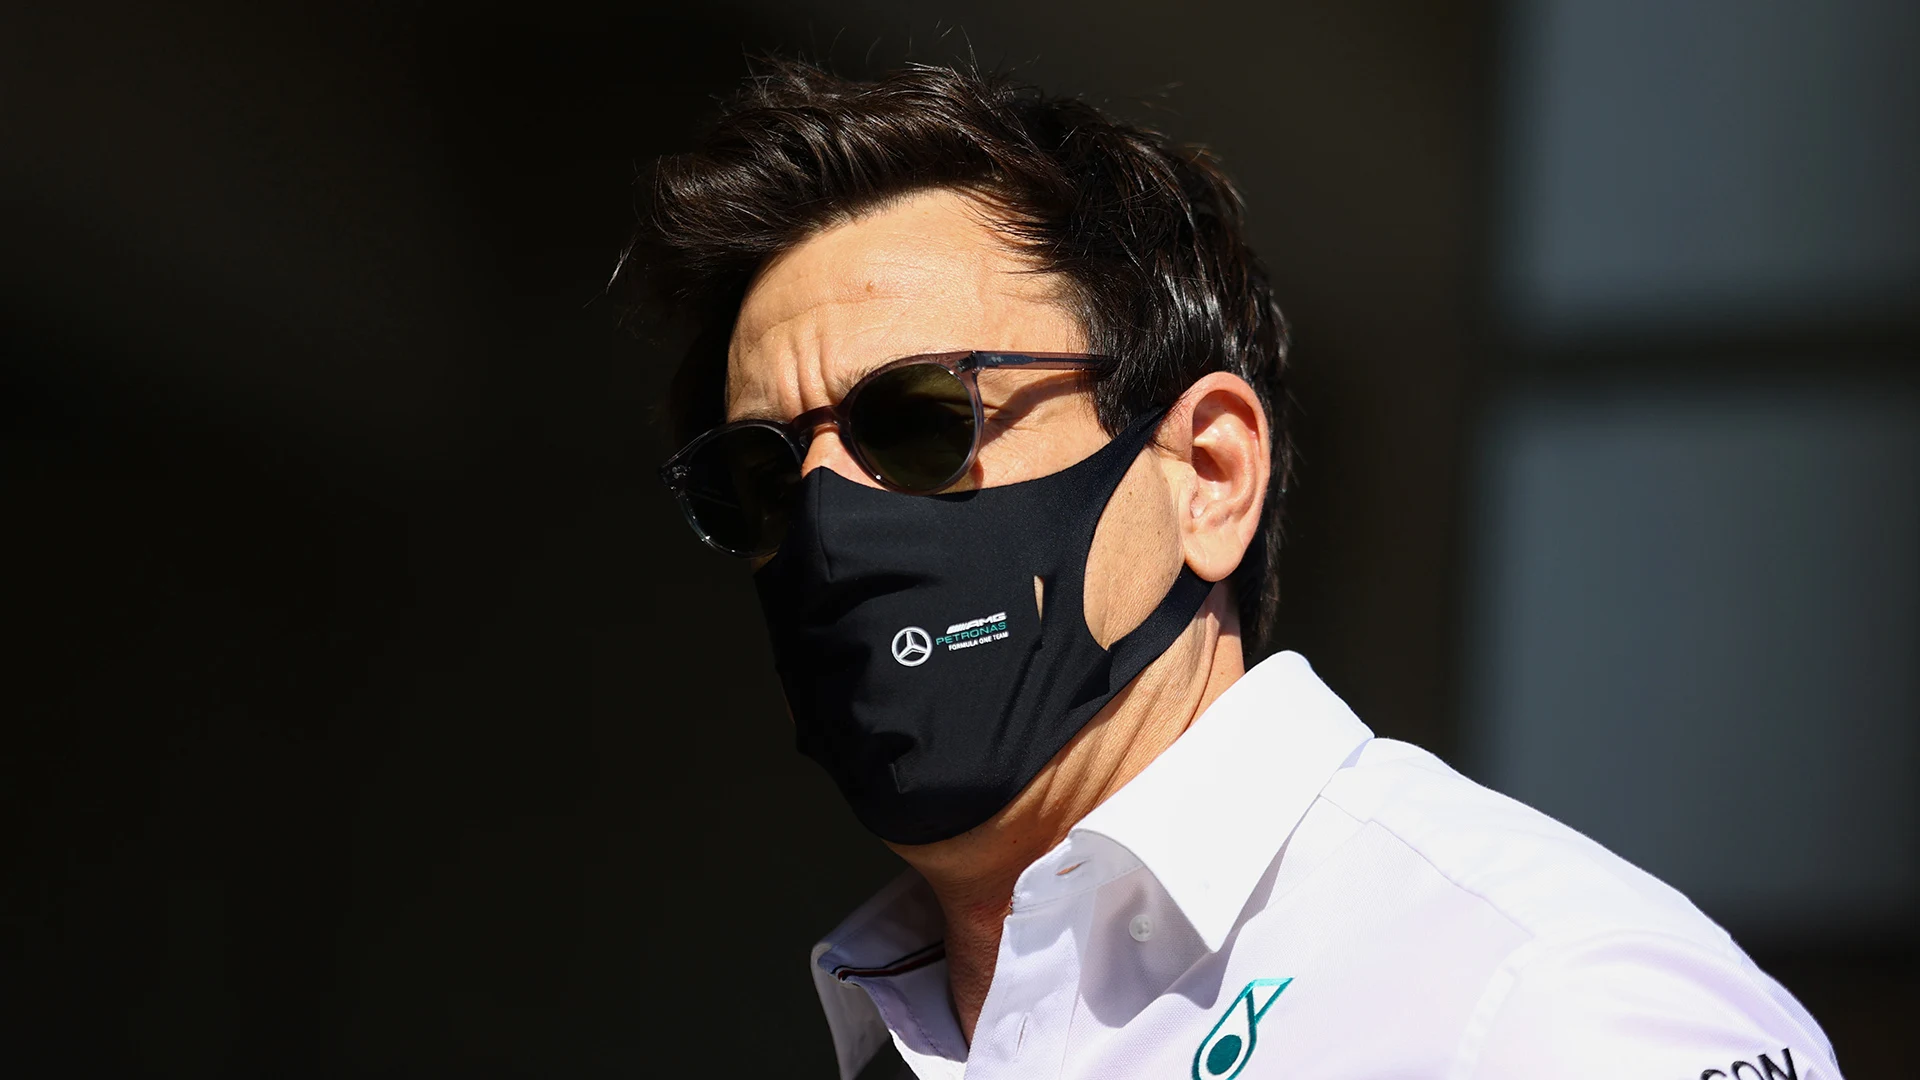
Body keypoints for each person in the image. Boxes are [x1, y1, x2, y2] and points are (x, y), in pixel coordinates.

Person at [625, 59, 1839, 1080]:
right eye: (764, 480)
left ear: (1206, 474)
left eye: (922, 420)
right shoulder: (891, 1034)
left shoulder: (1541, 999)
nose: (835, 516)